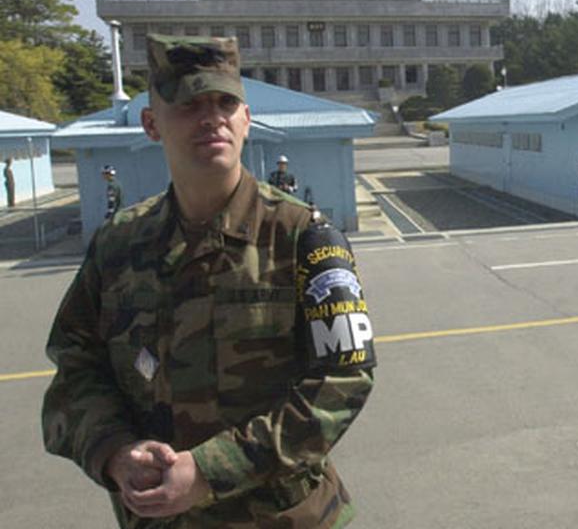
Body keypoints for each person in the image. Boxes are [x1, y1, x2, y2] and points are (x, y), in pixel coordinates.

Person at [42, 34, 376, 528]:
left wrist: (210, 470)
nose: (211, 116)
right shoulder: (118, 245)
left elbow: (343, 379)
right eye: (190, 103)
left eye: (225, 102)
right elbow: (76, 368)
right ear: (151, 123)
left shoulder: (302, 235)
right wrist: (114, 452)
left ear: (245, 120)